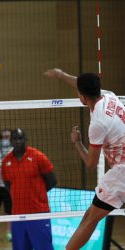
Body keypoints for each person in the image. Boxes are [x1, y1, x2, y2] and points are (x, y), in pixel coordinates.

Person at [44, 68, 125, 250]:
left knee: (90, 219)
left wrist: (77, 143)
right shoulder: (109, 96)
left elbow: (91, 163)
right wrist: (62, 75)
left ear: (82, 97)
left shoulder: (98, 123)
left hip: (122, 173)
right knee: (90, 216)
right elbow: (81, 84)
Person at [1, 128, 57, 250]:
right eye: (14, 138)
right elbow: (7, 185)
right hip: (17, 216)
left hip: (38, 214)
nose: (17, 141)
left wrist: (37, 192)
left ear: (25, 140)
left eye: (20, 138)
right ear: (11, 141)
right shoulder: (6, 162)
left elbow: (52, 181)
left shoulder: (38, 157)